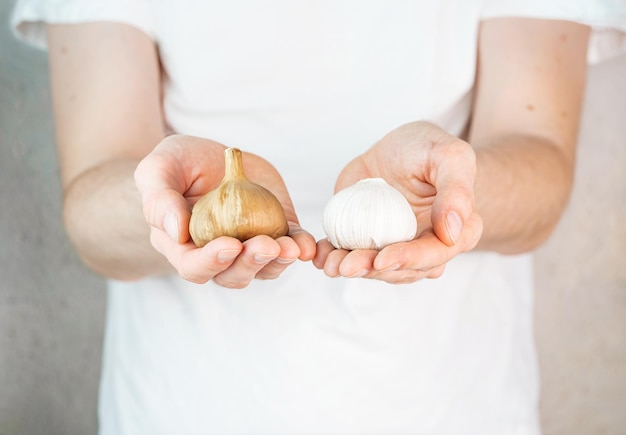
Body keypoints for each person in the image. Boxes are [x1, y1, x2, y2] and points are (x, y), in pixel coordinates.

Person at [11, 0, 626, 434]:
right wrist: (168, 206)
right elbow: (92, 213)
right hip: (186, 410)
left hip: (453, 408)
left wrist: (451, 192)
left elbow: (539, 162)